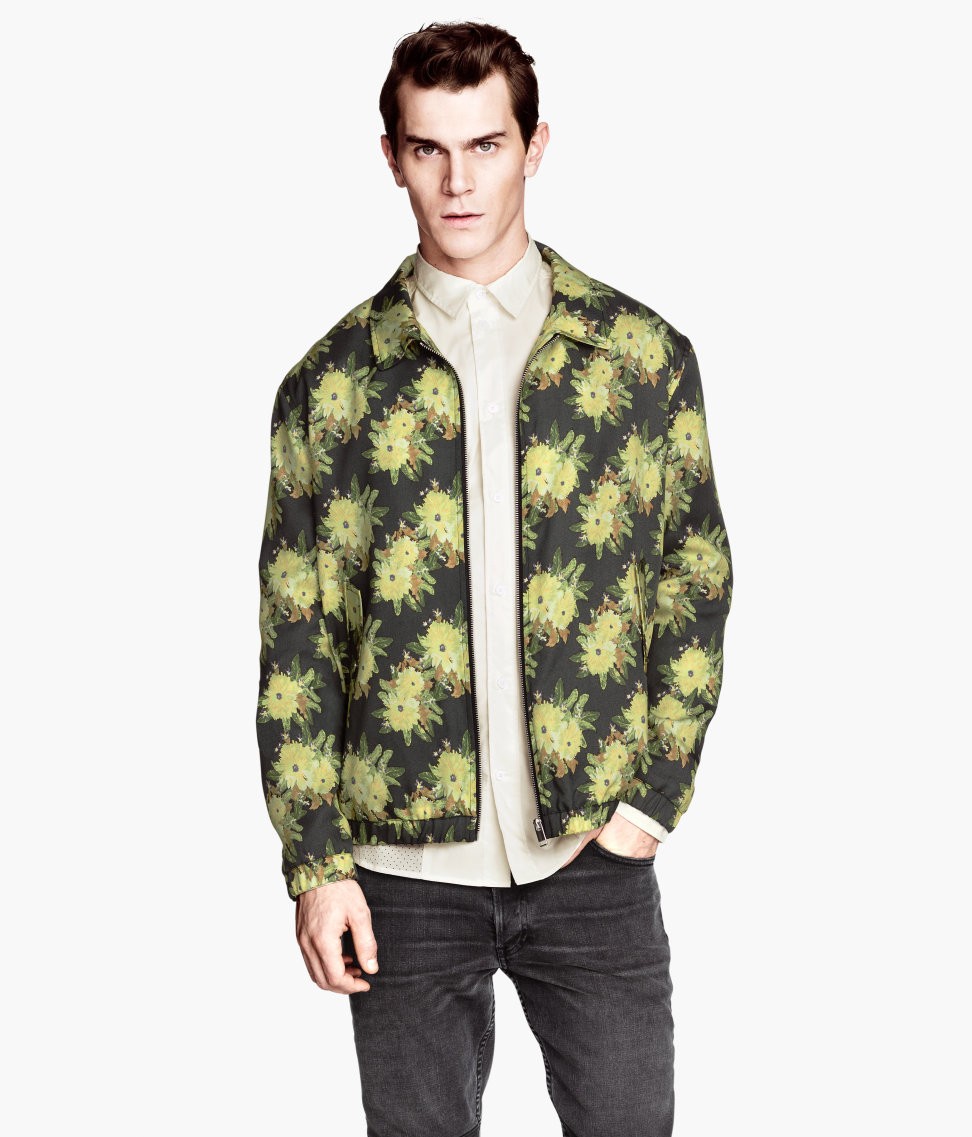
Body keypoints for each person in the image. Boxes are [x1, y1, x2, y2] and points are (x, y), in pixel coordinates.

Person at [256, 20, 733, 1137]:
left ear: (535, 146)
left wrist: (650, 802)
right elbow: (296, 640)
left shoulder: (639, 357)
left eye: (485, 145)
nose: (459, 181)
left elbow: (696, 579)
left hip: (593, 856)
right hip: (401, 875)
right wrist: (317, 864)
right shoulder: (330, 387)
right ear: (392, 157)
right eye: (429, 149)